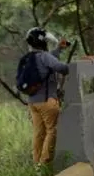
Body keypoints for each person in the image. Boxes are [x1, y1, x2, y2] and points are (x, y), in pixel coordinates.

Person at [24, 27, 69, 165]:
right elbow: (62, 68)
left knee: (38, 133)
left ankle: (36, 164)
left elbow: (48, 61)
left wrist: (59, 49)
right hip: (48, 100)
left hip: (33, 102)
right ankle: (45, 163)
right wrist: (71, 66)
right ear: (43, 42)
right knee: (52, 130)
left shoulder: (29, 58)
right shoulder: (45, 56)